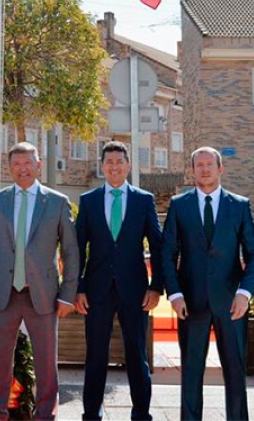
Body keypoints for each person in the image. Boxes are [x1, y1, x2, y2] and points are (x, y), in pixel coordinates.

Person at [0, 141, 79, 421]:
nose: (23, 169)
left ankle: (45, 415)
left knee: (46, 363)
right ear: (10, 168)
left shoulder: (57, 202)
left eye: (28, 163)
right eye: (16, 164)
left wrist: (68, 294)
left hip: (43, 295)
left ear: (39, 165)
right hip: (2, 294)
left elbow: (70, 251)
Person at [162, 146, 254, 421]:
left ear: (220, 169)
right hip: (190, 303)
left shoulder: (239, 205)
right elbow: (168, 253)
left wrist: (245, 293)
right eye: (199, 165)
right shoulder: (179, 205)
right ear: (192, 171)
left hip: (232, 305)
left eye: (209, 164)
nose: (204, 169)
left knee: (235, 372)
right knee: (191, 372)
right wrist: (175, 294)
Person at [75, 141, 164, 421]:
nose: (114, 166)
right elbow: (77, 248)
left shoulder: (143, 200)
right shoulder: (88, 201)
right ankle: (91, 411)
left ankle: (141, 413)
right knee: (96, 355)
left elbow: (158, 246)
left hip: (136, 291)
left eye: (119, 161)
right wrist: (77, 288)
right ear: (102, 166)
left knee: (137, 355)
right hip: (97, 290)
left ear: (128, 165)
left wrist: (156, 286)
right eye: (109, 162)